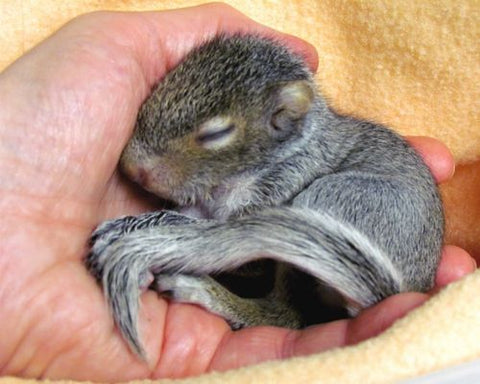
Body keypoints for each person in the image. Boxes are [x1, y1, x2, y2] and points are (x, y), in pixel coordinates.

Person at [0, 3, 475, 381]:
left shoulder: (299, 163)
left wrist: (179, 242)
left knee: (307, 209)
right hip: (343, 275)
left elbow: (232, 233)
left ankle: (266, 311)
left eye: (211, 137)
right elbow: (216, 225)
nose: (140, 168)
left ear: (282, 121)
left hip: (369, 256)